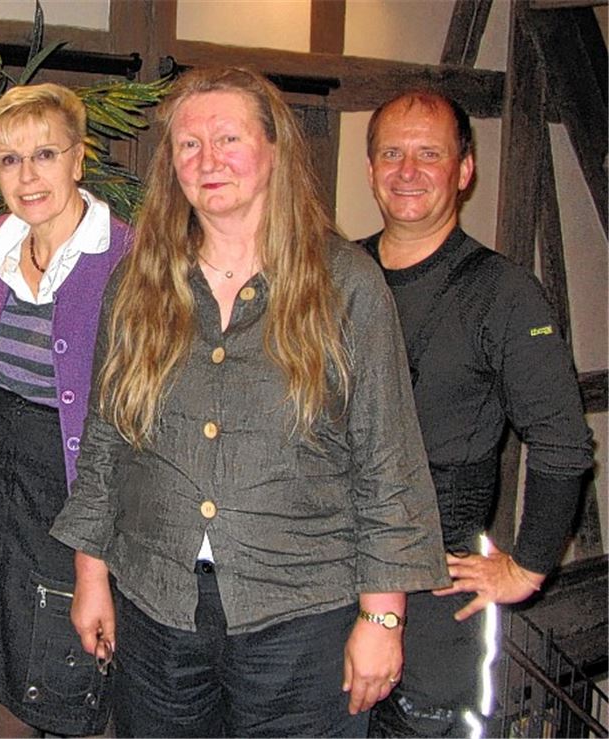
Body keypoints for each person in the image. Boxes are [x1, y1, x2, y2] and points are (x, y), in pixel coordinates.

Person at [49, 66, 450, 738]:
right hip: (158, 608)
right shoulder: (138, 284)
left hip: (302, 619)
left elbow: (387, 463)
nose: (206, 160)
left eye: (228, 138)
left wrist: (383, 619)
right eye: (187, 145)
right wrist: (92, 574)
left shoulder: (346, 283)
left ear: (274, 150)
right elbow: (107, 442)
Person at [360, 90, 593, 738]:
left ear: (464, 169)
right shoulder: (337, 275)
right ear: (371, 166)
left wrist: (527, 564)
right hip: (332, 579)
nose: (408, 170)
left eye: (429, 154)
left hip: (442, 596)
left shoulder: (504, 293)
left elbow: (563, 443)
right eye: (392, 153)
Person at [0, 83, 132, 737]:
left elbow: (124, 413)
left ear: (78, 159)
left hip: (71, 478)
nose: (27, 176)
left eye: (44, 154)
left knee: (71, 656)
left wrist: (99, 548)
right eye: (8, 160)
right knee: (2, 655)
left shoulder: (124, 256)